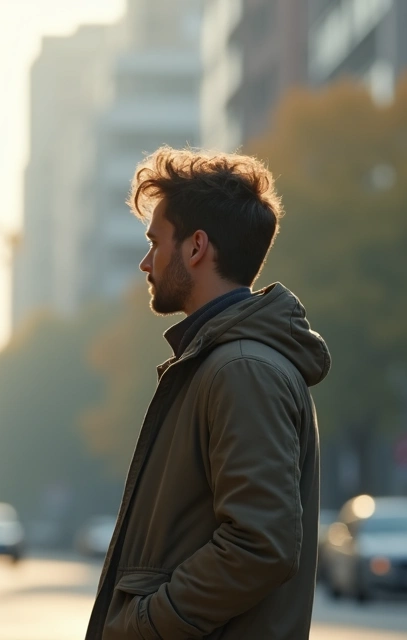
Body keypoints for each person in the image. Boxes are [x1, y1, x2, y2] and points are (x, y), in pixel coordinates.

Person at [85, 147, 330, 640]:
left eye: (156, 242)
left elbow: (260, 545)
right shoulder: (218, 363)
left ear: (196, 248)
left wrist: (144, 625)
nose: (145, 262)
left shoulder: (241, 370)